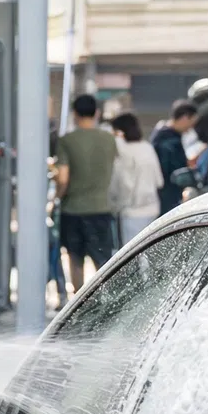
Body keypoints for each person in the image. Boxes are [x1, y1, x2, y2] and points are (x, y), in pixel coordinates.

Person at [54, 92, 118, 294]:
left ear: (74, 114)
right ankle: (107, 300)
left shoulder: (67, 141)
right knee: (103, 260)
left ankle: (78, 301)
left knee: (75, 258)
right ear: (97, 113)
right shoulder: (109, 140)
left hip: (73, 209)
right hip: (101, 207)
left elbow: (63, 178)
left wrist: (58, 195)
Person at [109, 112, 162, 244]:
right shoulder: (147, 147)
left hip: (131, 211)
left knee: (132, 254)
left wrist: (113, 205)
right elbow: (159, 181)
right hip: (152, 208)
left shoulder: (122, 151)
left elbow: (120, 183)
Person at [149, 100, 196, 214]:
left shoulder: (162, 134)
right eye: (192, 122)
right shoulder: (169, 141)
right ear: (185, 118)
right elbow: (175, 171)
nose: (190, 128)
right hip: (168, 196)